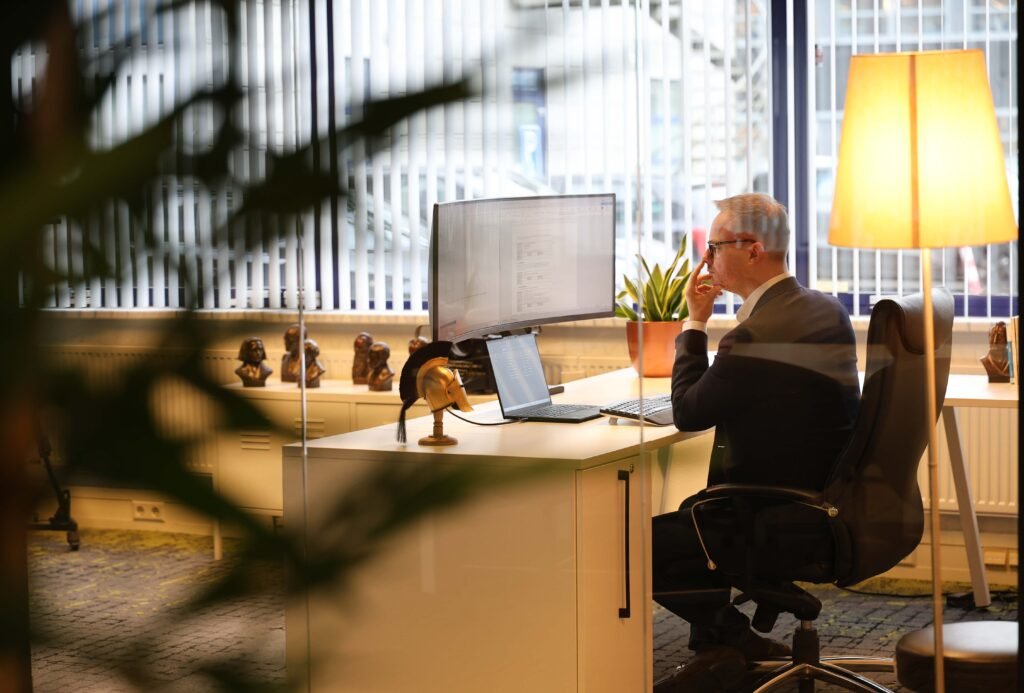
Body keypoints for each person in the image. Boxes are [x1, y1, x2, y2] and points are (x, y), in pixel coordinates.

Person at [653, 193, 861, 692]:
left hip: (781, 516)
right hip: (828, 503)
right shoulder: (822, 309)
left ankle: (733, 641)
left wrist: (695, 323)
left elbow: (687, 412)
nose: (706, 260)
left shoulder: (754, 335)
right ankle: (722, 650)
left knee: (636, 547)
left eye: (713, 247)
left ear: (751, 249)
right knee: (694, 513)